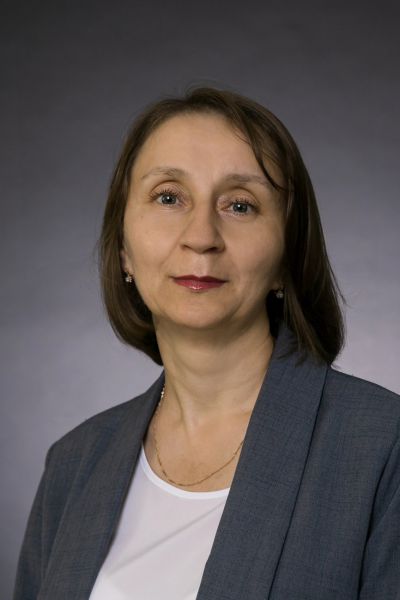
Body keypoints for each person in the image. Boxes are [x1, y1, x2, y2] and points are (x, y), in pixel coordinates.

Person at [13, 86, 400, 600]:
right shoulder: (74, 465)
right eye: (168, 197)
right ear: (123, 248)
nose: (201, 236)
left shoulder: (381, 447)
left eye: (240, 205)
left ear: (287, 256)